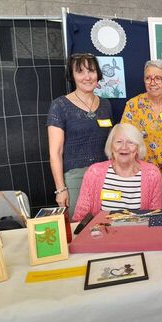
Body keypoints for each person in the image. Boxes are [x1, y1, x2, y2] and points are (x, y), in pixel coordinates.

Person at [47, 53, 113, 217]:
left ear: (98, 73)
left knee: (108, 222)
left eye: (91, 71)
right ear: (72, 75)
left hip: (106, 176)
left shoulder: (106, 104)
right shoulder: (59, 106)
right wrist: (60, 189)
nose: (87, 77)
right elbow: (55, 153)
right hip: (76, 178)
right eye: (80, 72)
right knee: (79, 225)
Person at [121, 59, 162, 207]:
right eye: (148, 78)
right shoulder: (133, 105)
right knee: (146, 216)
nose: (152, 82)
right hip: (142, 175)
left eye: (158, 78)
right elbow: (124, 139)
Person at [72, 124, 162, 221]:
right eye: (119, 142)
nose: (124, 147)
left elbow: (155, 218)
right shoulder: (94, 173)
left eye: (130, 142)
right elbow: (80, 217)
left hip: (137, 230)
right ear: (111, 147)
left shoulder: (152, 174)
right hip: (101, 229)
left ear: (138, 148)